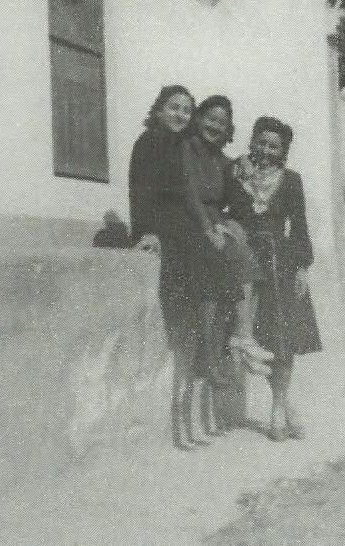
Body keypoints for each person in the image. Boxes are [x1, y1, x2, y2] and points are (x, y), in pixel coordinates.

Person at [180, 96, 273, 433]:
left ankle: (243, 336)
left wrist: (243, 178)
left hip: (215, 223)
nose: (215, 127)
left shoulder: (223, 161)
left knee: (243, 243)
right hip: (189, 220)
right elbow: (189, 192)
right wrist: (209, 225)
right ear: (199, 118)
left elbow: (238, 206)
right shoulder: (186, 150)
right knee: (229, 246)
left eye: (222, 123)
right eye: (210, 118)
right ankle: (230, 344)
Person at [229, 116, 322, 441]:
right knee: (255, 340)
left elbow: (299, 226)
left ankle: (278, 408)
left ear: (283, 151)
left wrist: (302, 268)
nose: (266, 150)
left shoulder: (291, 180)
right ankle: (285, 402)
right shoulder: (235, 172)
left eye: (274, 146)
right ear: (252, 141)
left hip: (280, 264)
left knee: (281, 342)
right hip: (246, 262)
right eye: (261, 142)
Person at [128, 84, 199, 451]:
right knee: (176, 328)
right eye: (174, 107)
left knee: (188, 330)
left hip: (188, 242)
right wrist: (146, 232)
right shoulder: (148, 142)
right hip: (165, 239)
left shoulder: (183, 148)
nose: (180, 115)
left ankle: (184, 414)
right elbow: (139, 191)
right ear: (158, 110)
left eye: (187, 110)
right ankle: (175, 418)